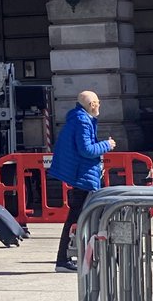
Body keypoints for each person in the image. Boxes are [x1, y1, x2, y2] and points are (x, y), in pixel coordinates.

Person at [47, 90, 115, 273]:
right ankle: (64, 259)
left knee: (81, 217)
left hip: (83, 176)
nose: (99, 105)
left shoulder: (79, 118)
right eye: (98, 102)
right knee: (78, 218)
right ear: (92, 104)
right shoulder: (83, 121)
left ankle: (71, 257)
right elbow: (86, 150)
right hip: (84, 177)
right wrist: (106, 145)